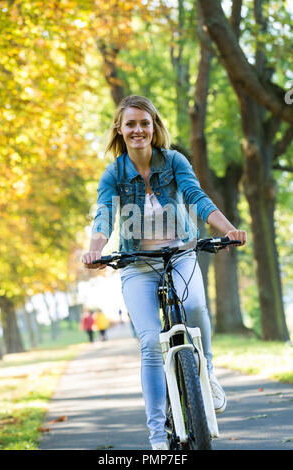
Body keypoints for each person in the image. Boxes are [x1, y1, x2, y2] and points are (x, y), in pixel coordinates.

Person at [82, 95, 247, 450]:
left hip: (181, 254)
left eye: (145, 122)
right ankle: (158, 437)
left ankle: (210, 374)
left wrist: (228, 229)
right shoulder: (114, 173)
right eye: (131, 124)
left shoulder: (173, 161)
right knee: (149, 345)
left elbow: (196, 197)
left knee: (196, 310)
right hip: (137, 265)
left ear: (155, 127)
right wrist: (95, 251)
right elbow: (105, 215)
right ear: (120, 130)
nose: (138, 129)